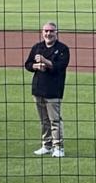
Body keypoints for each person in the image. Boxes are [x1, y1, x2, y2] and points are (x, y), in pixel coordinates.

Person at [24, 21, 71, 158]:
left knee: (55, 120)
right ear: (42, 32)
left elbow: (60, 67)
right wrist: (36, 66)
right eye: (46, 31)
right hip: (38, 88)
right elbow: (27, 64)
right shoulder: (37, 47)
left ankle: (59, 147)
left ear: (56, 33)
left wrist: (45, 61)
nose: (48, 34)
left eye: (51, 31)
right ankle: (47, 145)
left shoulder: (62, 49)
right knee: (44, 120)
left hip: (54, 90)